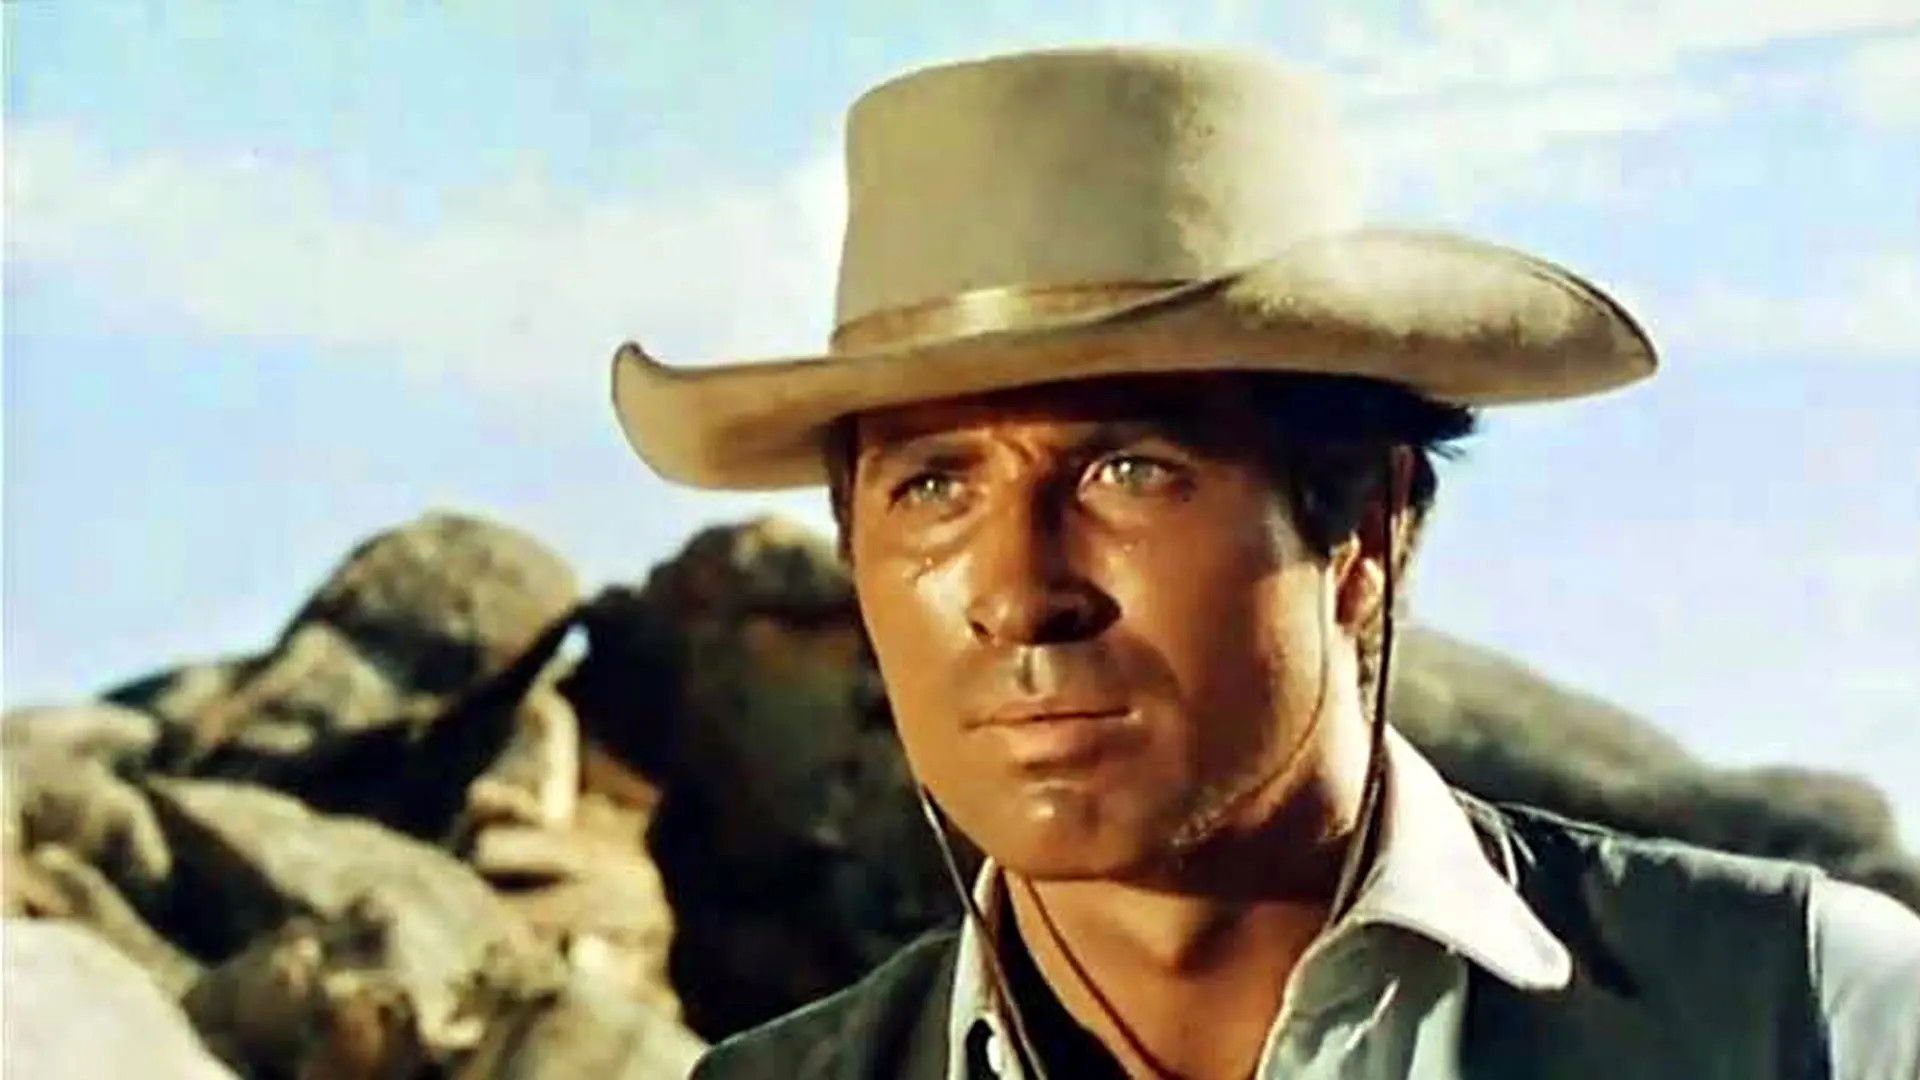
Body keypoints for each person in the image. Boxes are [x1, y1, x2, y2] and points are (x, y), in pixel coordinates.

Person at [609, 47, 1920, 1080]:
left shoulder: (1812, 1016)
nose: (1018, 593)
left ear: (1369, 530)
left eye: (1132, 471)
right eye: (934, 489)